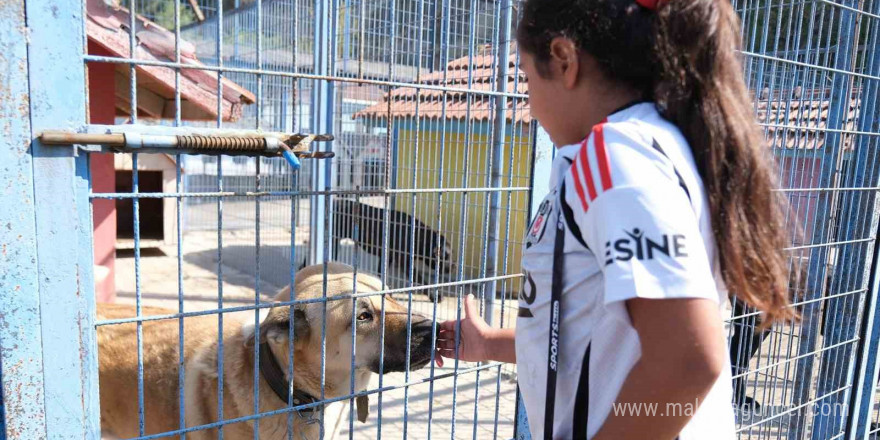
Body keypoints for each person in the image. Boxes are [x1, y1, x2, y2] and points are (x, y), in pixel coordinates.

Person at [433, 0, 796, 438]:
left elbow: (687, 360)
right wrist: (489, 344)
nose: (528, 103)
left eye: (527, 79)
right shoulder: (645, 148)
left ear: (565, 61)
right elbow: (603, 337)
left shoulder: (617, 157)